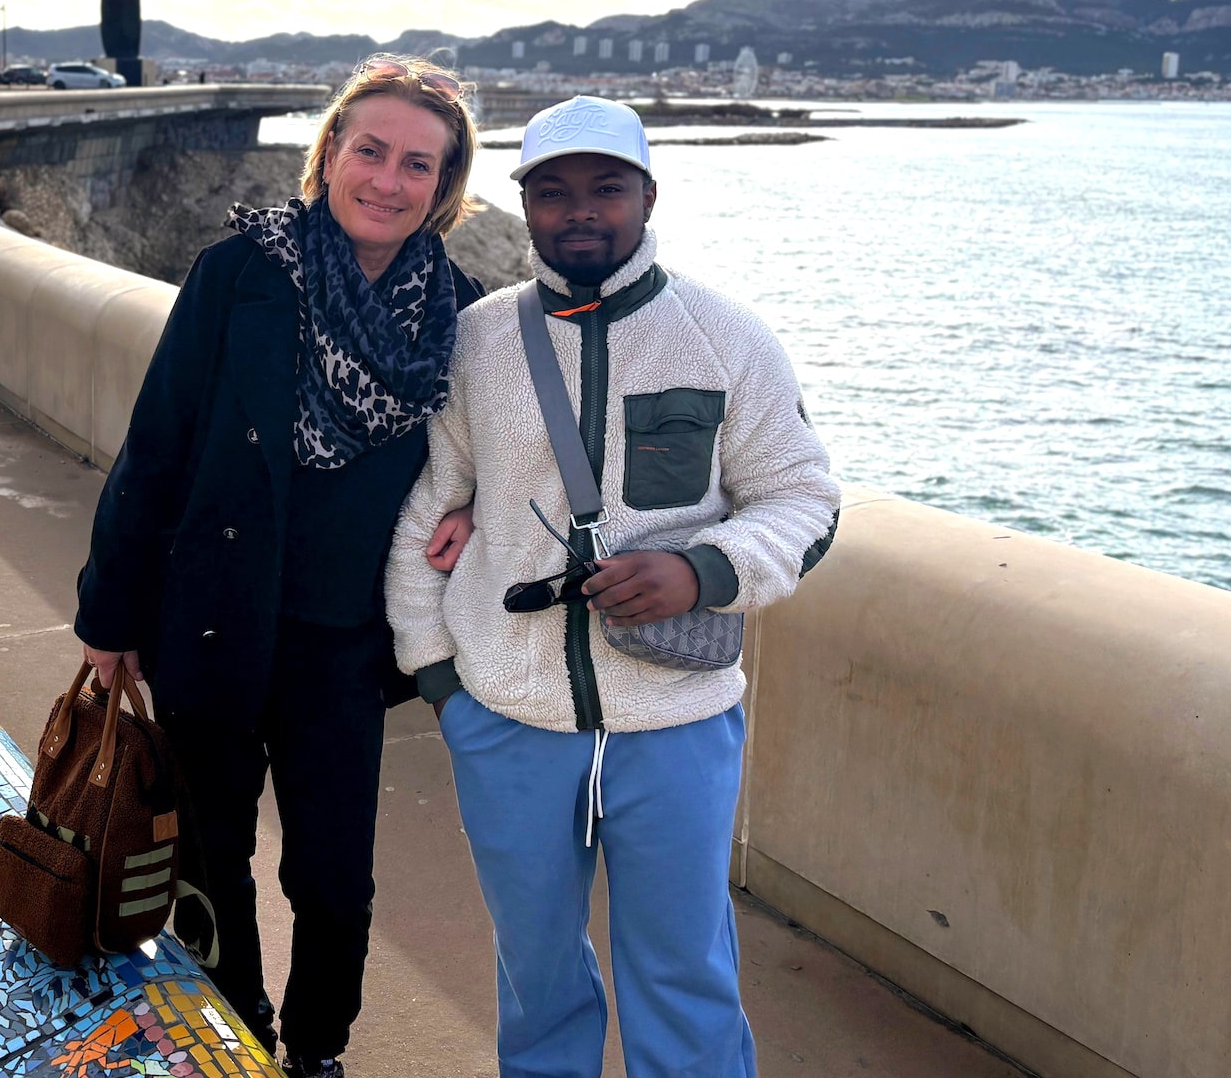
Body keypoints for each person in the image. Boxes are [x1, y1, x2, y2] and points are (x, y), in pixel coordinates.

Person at [385, 96, 840, 1078]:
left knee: (684, 970)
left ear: (648, 195)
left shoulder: (726, 338)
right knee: (535, 969)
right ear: (527, 206)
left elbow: (805, 503)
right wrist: (439, 681)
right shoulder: (480, 342)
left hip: (676, 719)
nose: (579, 211)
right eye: (553, 192)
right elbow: (430, 509)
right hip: (506, 718)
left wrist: (698, 570)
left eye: (605, 188)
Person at [74, 55, 486, 1078]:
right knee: (210, 861)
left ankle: (318, 1052)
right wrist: (109, 616)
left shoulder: (458, 315)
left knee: (335, 881)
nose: (388, 181)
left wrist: (474, 504)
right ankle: (232, 1031)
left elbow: (486, 454)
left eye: (417, 166)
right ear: (331, 153)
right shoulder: (240, 275)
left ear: (445, 189)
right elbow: (156, 448)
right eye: (371, 151)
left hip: (345, 648)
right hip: (211, 621)